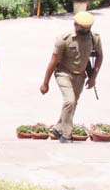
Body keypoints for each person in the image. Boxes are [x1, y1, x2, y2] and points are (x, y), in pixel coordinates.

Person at [40, 11, 103, 143]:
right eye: (82, 28)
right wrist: (45, 83)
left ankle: (58, 128)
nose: (85, 30)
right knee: (70, 101)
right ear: (75, 25)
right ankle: (66, 134)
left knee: (73, 104)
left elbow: (99, 56)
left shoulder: (94, 38)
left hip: (80, 75)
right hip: (63, 73)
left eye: (87, 28)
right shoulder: (64, 39)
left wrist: (93, 77)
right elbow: (53, 61)